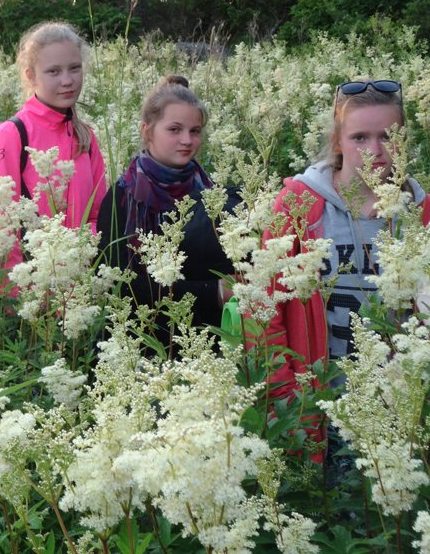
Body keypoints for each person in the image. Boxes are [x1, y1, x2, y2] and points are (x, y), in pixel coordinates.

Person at [261, 79, 430, 401]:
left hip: (401, 406)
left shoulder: (421, 214)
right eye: (359, 137)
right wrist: (288, 399)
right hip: (315, 403)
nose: (375, 151)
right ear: (337, 141)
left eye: (387, 136)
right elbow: (266, 305)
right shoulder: (299, 204)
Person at [96, 75, 239, 345]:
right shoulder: (123, 197)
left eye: (195, 131)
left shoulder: (212, 193)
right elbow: (119, 284)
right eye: (174, 129)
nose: (187, 140)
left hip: (205, 339)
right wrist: (215, 293)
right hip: (141, 340)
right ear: (147, 131)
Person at [0, 22, 107, 274]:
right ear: (31, 76)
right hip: (31, 289)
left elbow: (97, 217)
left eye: (75, 68)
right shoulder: (12, 136)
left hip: (79, 285)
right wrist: (14, 292)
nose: (67, 80)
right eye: (53, 71)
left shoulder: (85, 137)